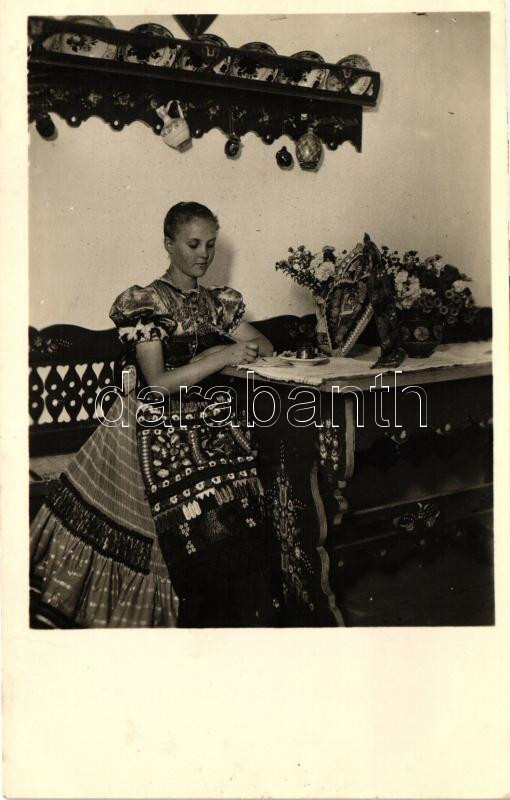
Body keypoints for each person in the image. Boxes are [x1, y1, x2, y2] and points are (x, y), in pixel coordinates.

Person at [30, 201, 283, 628]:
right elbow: (158, 384)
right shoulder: (146, 302)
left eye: (210, 244)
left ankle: (223, 623)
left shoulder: (217, 302)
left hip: (203, 420)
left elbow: (266, 347)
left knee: (239, 507)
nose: (204, 254)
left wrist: (218, 355)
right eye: (193, 244)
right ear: (169, 244)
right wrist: (220, 355)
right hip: (148, 423)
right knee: (190, 519)